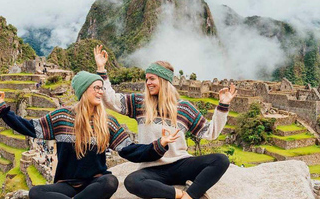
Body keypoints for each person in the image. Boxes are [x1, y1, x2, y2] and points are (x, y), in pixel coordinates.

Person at [0, 71, 179, 199]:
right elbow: (29, 127)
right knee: (36, 192)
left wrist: (159, 145)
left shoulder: (108, 123)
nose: (100, 92)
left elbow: (130, 150)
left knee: (110, 181)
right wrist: (2, 109)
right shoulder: (61, 117)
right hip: (66, 185)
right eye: (96, 88)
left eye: (101, 88)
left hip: (95, 183)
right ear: (83, 91)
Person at [94, 45, 237, 199]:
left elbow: (210, 133)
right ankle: (179, 194)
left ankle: (190, 196)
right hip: (152, 169)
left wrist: (223, 105)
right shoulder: (139, 103)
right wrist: (101, 69)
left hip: (181, 164)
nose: (148, 82)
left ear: (164, 80)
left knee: (221, 160)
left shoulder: (184, 108)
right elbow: (111, 100)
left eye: (152, 78)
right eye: (146, 79)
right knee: (132, 181)